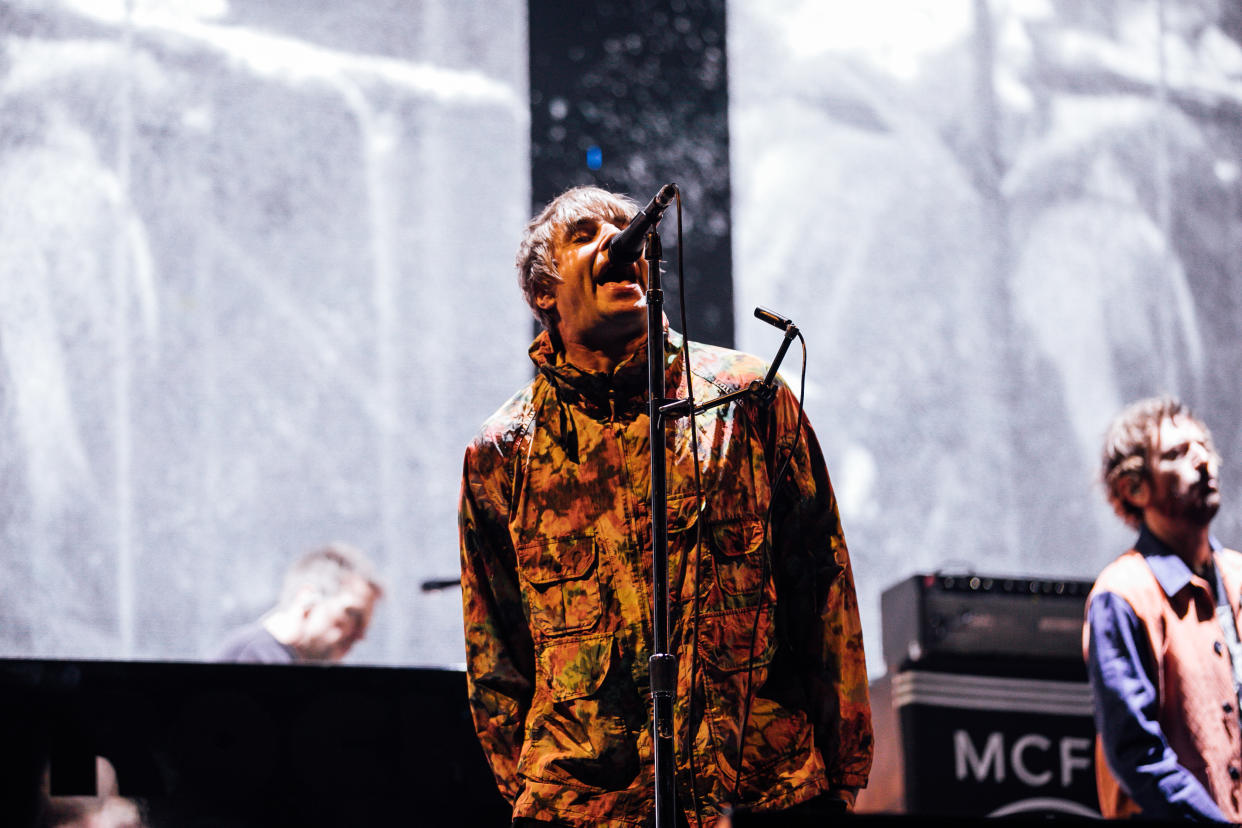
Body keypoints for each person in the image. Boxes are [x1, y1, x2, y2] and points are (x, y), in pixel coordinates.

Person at [457, 186, 872, 827]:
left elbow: (820, 585)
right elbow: (495, 652)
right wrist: (536, 795)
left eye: (627, 229)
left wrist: (842, 775)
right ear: (544, 291)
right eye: (585, 233)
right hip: (582, 808)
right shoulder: (503, 450)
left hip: (760, 790)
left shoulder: (746, 398)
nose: (620, 239)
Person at [1084, 396, 1242, 822]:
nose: (1203, 461)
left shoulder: (1238, 576)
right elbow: (1137, 754)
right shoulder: (1123, 594)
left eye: (1203, 447)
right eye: (1177, 453)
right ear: (1133, 488)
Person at [213, 542, 383, 664]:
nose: (360, 636)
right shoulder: (253, 657)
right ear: (307, 598)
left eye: (365, 625)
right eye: (352, 614)